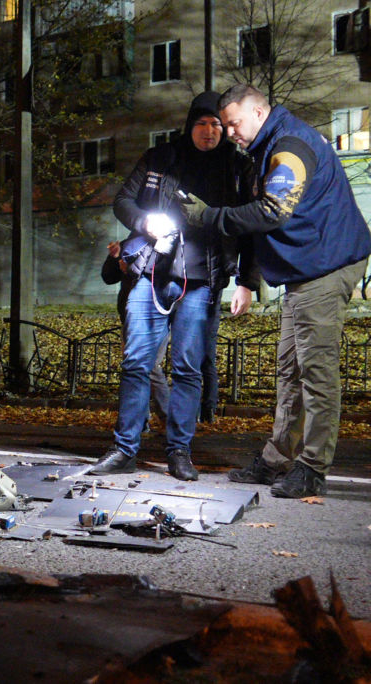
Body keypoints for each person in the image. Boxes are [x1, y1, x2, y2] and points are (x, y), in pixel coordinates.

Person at [184, 84, 371, 498]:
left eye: (234, 123)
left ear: (259, 112)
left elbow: (273, 210)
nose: (229, 132)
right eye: (226, 124)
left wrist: (209, 216)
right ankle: (276, 459)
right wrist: (250, 280)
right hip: (307, 268)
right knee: (290, 368)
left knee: (315, 370)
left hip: (327, 265)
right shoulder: (266, 146)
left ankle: (313, 467)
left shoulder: (289, 147)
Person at [91, 91, 257, 481]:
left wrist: (247, 282)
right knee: (135, 363)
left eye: (217, 124)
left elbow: (250, 228)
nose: (210, 131)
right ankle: (124, 448)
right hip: (151, 275)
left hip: (202, 282)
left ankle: (179, 451)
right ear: (190, 125)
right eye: (202, 123)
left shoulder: (236, 166)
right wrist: (146, 223)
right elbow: (123, 200)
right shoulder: (161, 158)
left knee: (187, 369)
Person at [101, 240, 169, 428]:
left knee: (151, 365)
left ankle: (164, 417)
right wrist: (114, 258)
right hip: (131, 316)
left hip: (158, 313)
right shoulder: (131, 243)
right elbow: (108, 276)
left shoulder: (169, 241)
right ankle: (141, 420)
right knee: (135, 366)